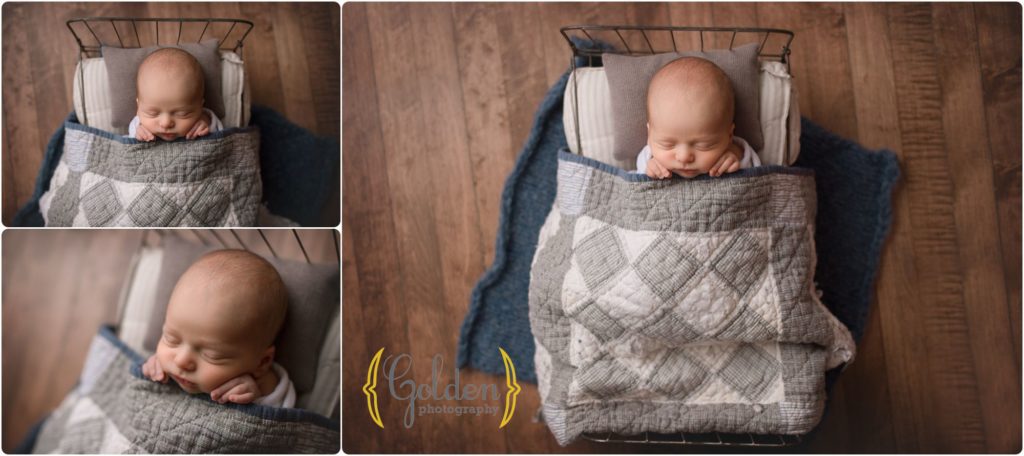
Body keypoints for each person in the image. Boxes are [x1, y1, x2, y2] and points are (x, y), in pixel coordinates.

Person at [141, 250, 295, 408]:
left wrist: (259, 395)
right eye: (171, 339)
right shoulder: (166, 367)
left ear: (262, 363)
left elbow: (282, 417)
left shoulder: (263, 386)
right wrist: (150, 368)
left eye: (212, 355)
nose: (180, 361)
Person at [636, 56, 760, 178]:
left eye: (703, 145)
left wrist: (737, 156)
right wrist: (647, 170)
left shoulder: (732, 155)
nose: (684, 157)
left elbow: (757, 173)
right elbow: (635, 185)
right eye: (667, 144)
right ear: (649, 135)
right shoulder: (649, 158)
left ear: (729, 136)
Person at [129, 47, 223, 141]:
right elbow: (129, 143)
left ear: (200, 107)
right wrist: (137, 134)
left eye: (182, 114)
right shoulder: (138, 125)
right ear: (138, 106)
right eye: (152, 113)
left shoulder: (202, 121)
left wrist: (207, 124)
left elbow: (220, 137)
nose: (166, 123)